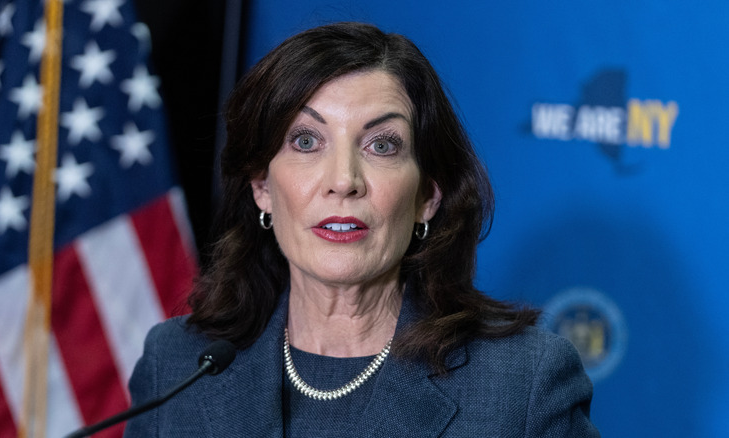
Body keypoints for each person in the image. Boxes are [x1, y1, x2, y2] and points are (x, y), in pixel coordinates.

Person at [124, 22, 600, 437]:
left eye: (381, 145)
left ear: (427, 196)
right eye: (306, 141)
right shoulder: (178, 365)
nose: (343, 181)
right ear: (262, 188)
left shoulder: (523, 383)